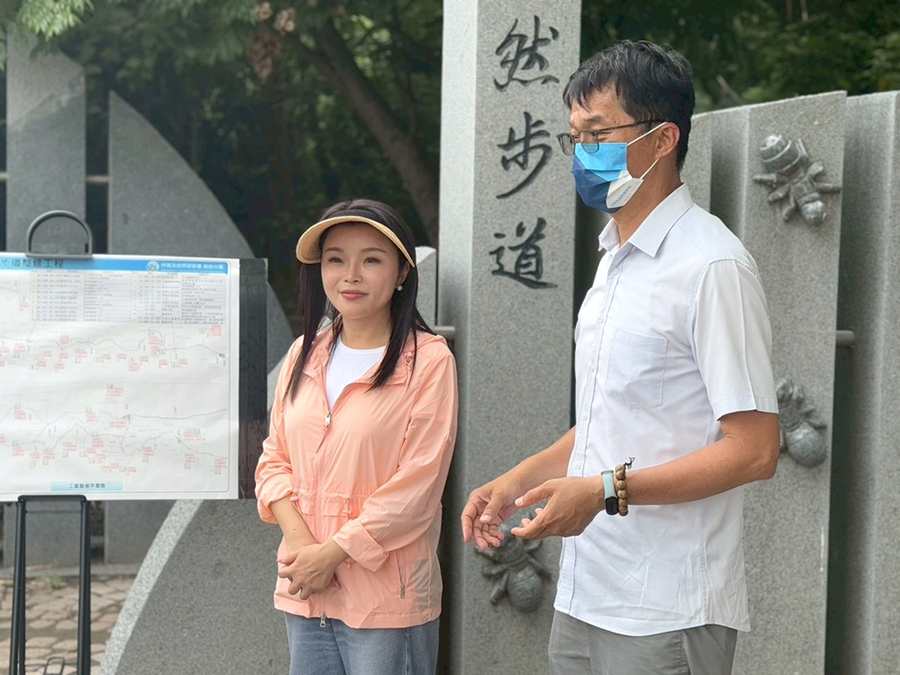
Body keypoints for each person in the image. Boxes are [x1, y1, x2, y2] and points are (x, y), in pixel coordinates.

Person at [461, 40, 780, 675]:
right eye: (575, 136)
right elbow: (611, 418)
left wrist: (604, 491)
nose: (583, 151)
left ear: (663, 139)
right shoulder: (614, 258)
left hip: (667, 606)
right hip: (586, 593)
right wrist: (518, 481)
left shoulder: (712, 265)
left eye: (598, 132)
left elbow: (754, 449)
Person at [256, 199, 458, 675]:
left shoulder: (429, 362)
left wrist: (331, 555)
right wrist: (305, 550)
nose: (351, 275)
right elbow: (273, 461)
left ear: (402, 272)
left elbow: (417, 488)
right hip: (307, 589)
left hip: (386, 597)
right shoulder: (304, 354)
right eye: (335, 259)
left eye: (371, 259)